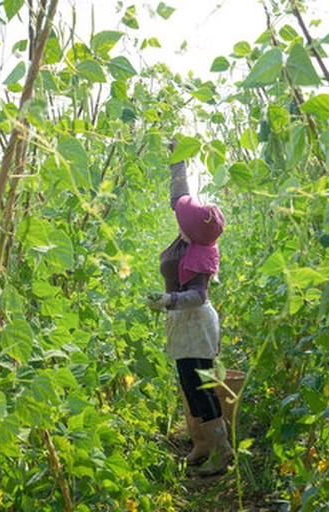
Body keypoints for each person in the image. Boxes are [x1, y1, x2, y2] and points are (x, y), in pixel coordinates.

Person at [147, 140, 231, 476]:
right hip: (184, 322)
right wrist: (177, 157)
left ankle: (221, 449)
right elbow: (178, 197)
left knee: (201, 386)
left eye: (184, 217)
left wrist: (168, 300)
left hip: (195, 320)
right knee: (188, 383)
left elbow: (197, 295)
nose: (177, 215)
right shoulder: (190, 236)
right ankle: (203, 444)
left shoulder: (199, 254)